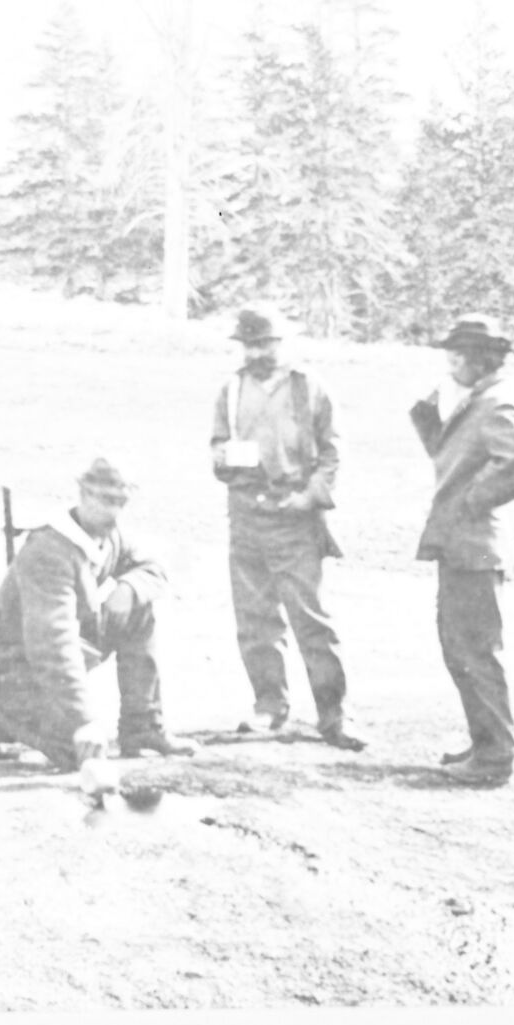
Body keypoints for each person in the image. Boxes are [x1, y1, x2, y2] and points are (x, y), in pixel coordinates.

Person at [0, 458, 194, 781]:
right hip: (10, 666)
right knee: (77, 752)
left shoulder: (107, 534)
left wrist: (129, 586)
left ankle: (142, 725)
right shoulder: (49, 550)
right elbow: (52, 644)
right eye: (105, 501)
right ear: (83, 494)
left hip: (49, 656)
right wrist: (82, 721)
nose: (114, 512)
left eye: (121, 502)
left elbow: (154, 569)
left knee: (138, 606)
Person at [210, 305, 360, 749]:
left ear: (282, 344)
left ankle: (335, 714)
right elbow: (219, 447)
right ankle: (269, 706)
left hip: (295, 517)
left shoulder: (309, 388)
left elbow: (333, 452)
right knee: (255, 618)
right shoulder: (231, 391)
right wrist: (236, 461)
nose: (259, 353)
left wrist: (309, 495)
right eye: (251, 344)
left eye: (267, 343)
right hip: (247, 513)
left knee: (311, 618)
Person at [409, 315, 514, 788]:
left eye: (458, 355)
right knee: (459, 647)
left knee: (476, 650)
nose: (450, 363)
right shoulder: (475, 401)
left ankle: (495, 755)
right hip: (462, 543)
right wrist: (428, 413)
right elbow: (449, 455)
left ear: (481, 359)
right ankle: (485, 742)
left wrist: (471, 501)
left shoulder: (497, 404)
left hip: (477, 543)